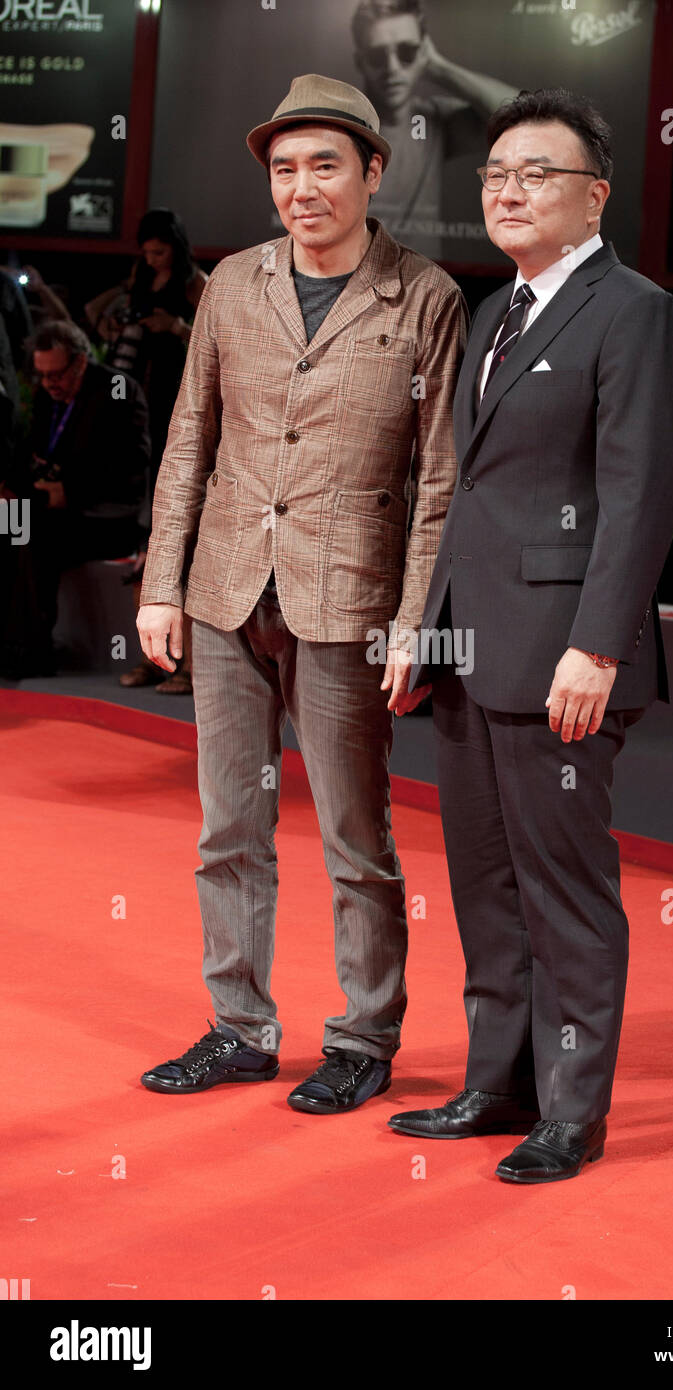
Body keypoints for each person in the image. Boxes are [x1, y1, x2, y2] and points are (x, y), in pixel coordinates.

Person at [137, 75, 466, 1112]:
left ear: (373, 172)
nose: (302, 186)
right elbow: (189, 438)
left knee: (354, 838)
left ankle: (363, 1035)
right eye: (284, 168)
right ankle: (239, 1025)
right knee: (227, 827)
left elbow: (441, 477)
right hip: (226, 591)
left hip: (349, 601)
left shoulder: (426, 296)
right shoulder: (231, 283)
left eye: (325, 164)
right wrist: (160, 585)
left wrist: (417, 618)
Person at [388, 87, 673, 1183]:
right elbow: (463, 492)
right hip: (472, 652)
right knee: (484, 882)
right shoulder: (490, 313)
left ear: (594, 195)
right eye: (494, 176)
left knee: (564, 892)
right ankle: (497, 1082)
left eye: (535, 173)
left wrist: (598, 644)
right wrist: (425, 632)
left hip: (564, 654)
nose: (507, 190)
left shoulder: (635, 312)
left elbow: (636, 494)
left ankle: (571, 1110)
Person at [85, 209, 208, 694]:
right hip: (136, 393)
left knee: (179, 513)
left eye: (160, 251)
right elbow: (96, 312)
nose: (152, 258)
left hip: (178, 390)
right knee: (149, 512)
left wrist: (174, 325)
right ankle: (157, 660)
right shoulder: (138, 276)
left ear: (176, 248)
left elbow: (216, 339)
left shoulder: (197, 281)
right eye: (147, 251)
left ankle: (184, 665)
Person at [13, 320, 149, 669]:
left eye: (57, 374)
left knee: (32, 531)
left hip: (108, 515)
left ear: (81, 362)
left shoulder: (118, 389)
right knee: (6, 523)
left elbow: (128, 472)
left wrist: (68, 492)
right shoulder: (47, 395)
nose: (49, 384)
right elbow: (37, 452)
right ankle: (10, 640)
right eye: (43, 375)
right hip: (55, 507)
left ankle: (35, 651)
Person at [352, 0, 516, 259]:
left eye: (407, 52)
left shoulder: (435, 119)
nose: (393, 68)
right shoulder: (343, 127)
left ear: (422, 53)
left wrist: (437, 66)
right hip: (354, 281)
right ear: (360, 61)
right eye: (377, 56)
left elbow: (523, 114)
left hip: (424, 286)